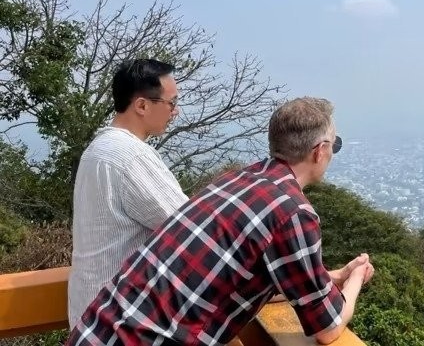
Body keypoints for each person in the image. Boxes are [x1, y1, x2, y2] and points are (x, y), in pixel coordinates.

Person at [66, 97, 374, 346]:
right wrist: (357, 276)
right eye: (335, 145)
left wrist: (330, 277)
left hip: (96, 331)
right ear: (319, 152)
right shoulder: (292, 211)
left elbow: (238, 276)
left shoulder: (235, 180)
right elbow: (327, 327)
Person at [68, 59, 188, 329]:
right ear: (142, 105)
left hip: (91, 315)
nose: (176, 111)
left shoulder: (98, 149)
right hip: (119, 320)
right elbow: (189, 230)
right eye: (172, 103)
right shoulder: (130, 156)